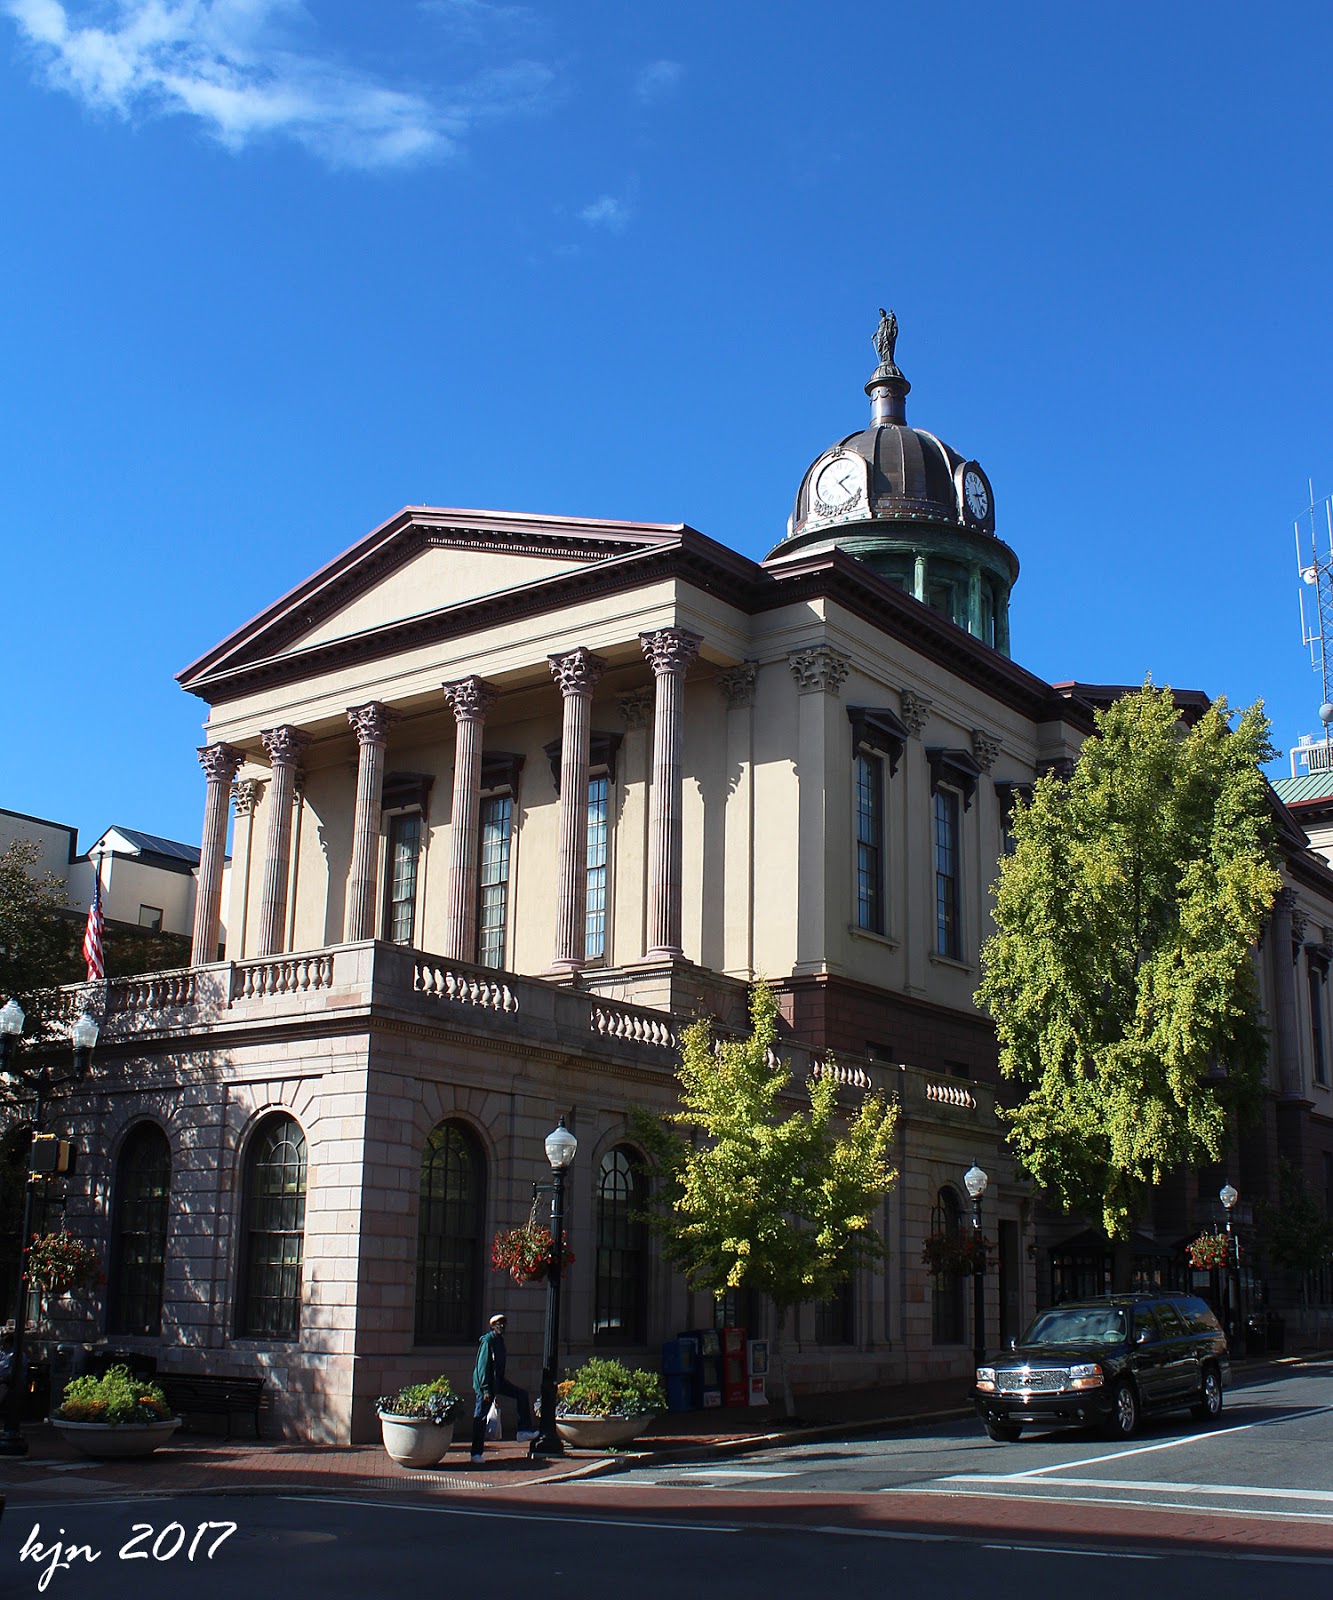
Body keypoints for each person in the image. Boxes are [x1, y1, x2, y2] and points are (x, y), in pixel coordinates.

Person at [470, 1312, 536, 1462]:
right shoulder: (488, 1341)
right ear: (492, 1326)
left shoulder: (500, 1341)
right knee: (480, 1417)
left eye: (503, 1324)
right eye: (498, 1324)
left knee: (521, 1395)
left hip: (498, 1382)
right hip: (485, 1385)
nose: (502, 1326)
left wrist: (497, 1389)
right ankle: (475, 1453)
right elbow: (482, 1367)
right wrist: (486, 1389)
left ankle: (523, 1430)